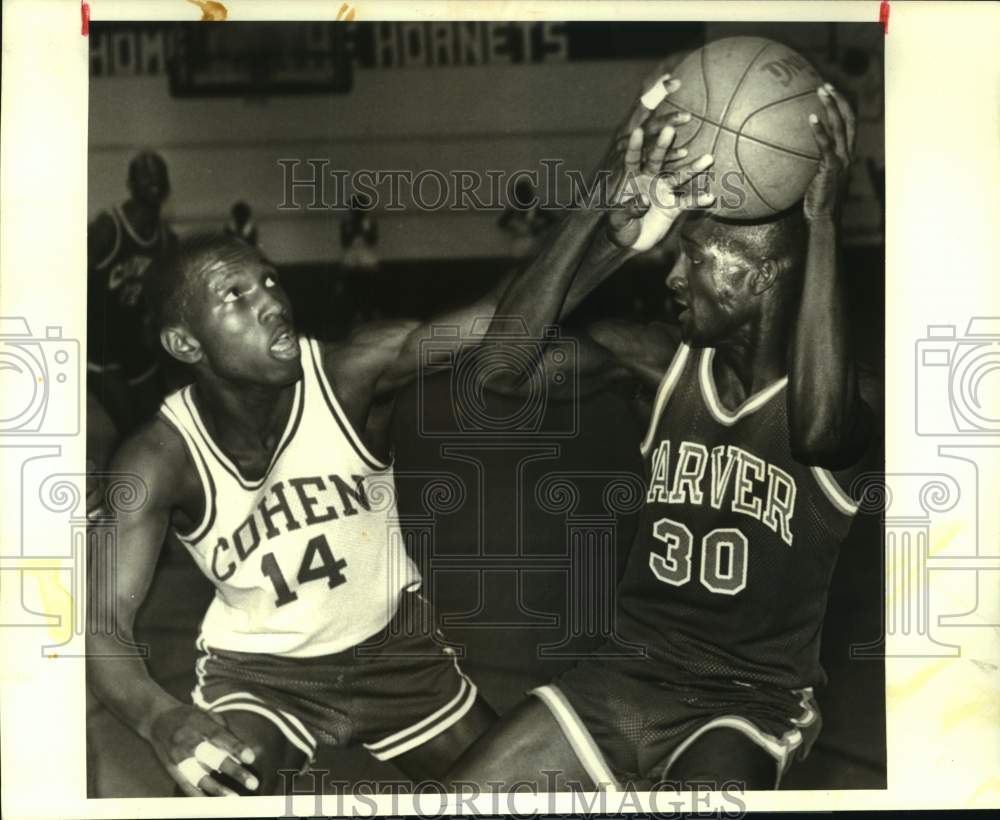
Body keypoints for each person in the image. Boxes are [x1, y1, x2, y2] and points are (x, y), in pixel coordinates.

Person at [83, 153, 708, 795]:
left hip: (400, 660)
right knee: (227, 782)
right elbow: (103, 620)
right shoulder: (159, 458)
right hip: (263, 676)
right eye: (235, 297)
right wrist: (160, 717)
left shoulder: (353, 373)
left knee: (530, 798)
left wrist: (603, 231)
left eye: (269, 282)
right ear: (187, 345)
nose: (270, 303)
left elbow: (503, 325)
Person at [444, 78, 879, 791]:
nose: (674, 277)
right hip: (622, 676)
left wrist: (824, 223)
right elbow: (499, 372)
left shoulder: (851, 394)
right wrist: (604, 220)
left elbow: (823, 434)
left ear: (761, 276)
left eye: (698, 256)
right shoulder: (657, 362)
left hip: (745, 704)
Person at [87, 150, 176, 438]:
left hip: (133, 342)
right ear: (130, 184)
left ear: (167, 186)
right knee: (130, 428)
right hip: (98, 344)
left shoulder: (165, 240)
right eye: (145, 174)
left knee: (160, 422)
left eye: (158, 174)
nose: (153, 180)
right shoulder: (107, 228)